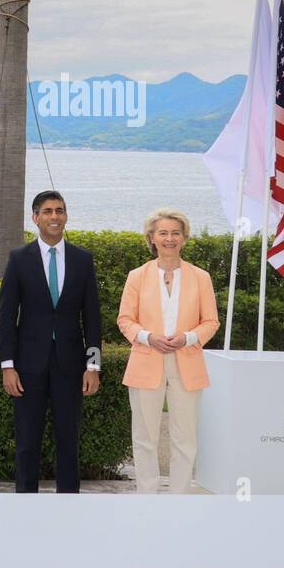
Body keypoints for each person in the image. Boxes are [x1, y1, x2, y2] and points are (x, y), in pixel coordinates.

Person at [0, 190, 102, 492]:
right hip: (28, 366)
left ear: (65, 216)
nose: (54, 217)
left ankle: (68, 505)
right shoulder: (19, 259)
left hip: (71, 366)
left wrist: (93, 366)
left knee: (69, 441)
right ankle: (26, 507)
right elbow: (7, 317)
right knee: (27, 442)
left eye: (59, 210)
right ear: (35, 218)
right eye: (47, 211)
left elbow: (92, 318)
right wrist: (8, 366)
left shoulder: (83, 259)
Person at [117, 209, 218, 493]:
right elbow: (125, 319)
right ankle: (147, 498)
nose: (169, 238)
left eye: (175, 232)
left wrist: (187, 338)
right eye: (163, 233)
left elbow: (211, 322)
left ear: (184, 237)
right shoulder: (137, 276)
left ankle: (179, 499)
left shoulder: (201, 277)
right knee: (144, 437)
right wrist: (148, 337)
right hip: (145, 363)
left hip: (187, 363)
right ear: (152, 238)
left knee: (185, 439)